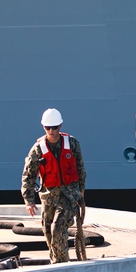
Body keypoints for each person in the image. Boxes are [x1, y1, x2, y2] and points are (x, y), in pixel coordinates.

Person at [21, 108, 86, 263]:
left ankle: (62, 265)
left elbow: (80, 169)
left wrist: (81, 193)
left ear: (60, 125)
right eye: (48, 128)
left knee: (58, 228)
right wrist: (29, 201)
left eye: (54, 127)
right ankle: (55, 261)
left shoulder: (72, 144)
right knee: (48, 231)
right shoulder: (38, 149)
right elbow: (28, 175)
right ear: (43, 127)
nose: (51, 131)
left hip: (69, 195)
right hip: (49, 196)